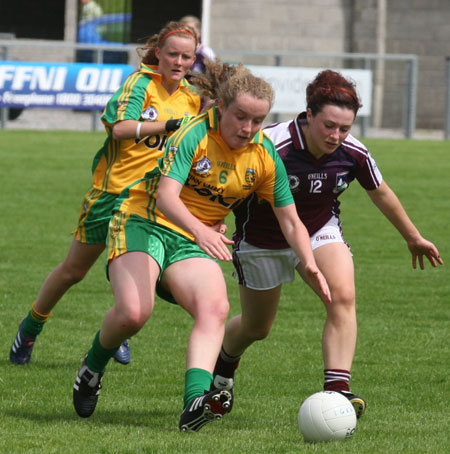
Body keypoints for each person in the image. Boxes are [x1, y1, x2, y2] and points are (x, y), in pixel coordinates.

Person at [71, 61, 331, 432]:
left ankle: (194, 403)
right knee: (133, 313)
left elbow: (290, 220)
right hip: (143, 221)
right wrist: (202, 231)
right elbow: (165, 197)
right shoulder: (193, 134)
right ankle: (92, 367)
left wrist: (308, 262)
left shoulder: (264, 154)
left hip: (192, 238)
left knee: (216, 308)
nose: (248, 128)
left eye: (258, 121)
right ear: (221, 108)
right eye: (240, 117)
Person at [211, 69, 444, 419]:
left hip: (320, 230)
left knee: (342, 296)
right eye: (329, 126)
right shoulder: (272, 145)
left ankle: (338, 391)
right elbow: (227, 183)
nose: (337, 136)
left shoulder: (353, 152)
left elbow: (380, 192)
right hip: (262, 239)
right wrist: (214, 221)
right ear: (308, 115)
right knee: (257, 328)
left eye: (345, 128)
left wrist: (412, 237)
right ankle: (224, 367)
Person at [9, 21, 202, 367]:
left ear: (193, 59)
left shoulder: (193, 97)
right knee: (73, 271)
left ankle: (117, 334)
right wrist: (167, 126)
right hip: (110, 195)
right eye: (172, 54)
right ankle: (30, 327)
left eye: (186, 56)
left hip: (148, 203)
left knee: (137, 271)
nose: (178, 61)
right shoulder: (140, 83)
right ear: (158, 52)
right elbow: (120, 129)